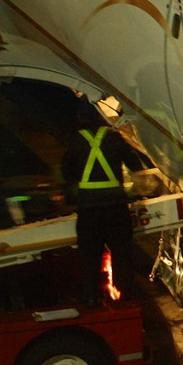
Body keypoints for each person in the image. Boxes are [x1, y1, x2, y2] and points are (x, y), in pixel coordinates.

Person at [61, 99, 142, 306]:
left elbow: (67, 174)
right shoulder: (114, 138)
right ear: (100, 116)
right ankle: (126, 296)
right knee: (122, 251)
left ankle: (91, 297)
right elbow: (135, 164)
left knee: (89, 254)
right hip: (116, 206)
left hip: (88, 208)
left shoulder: (75, 141)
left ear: (80, 118)